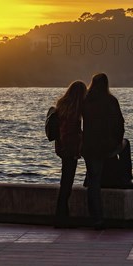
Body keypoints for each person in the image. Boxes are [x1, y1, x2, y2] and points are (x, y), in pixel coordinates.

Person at [82, 73, 133, 230]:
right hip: (107, 147)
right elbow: (120, 124)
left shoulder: (86, 101)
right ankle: (127, 179)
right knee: (126, 144)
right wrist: (116, 142)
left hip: (89, 148)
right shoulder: (111, 100)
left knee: (94, 182)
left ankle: (96, 219)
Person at [53, 80, 87, 228]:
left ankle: (62, 215)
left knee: (65, 182)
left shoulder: (62, 105)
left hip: (61, 148)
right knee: (67, 183)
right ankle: (61, 218)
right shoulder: (74, 110)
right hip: (69, 150)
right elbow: (70, 133)